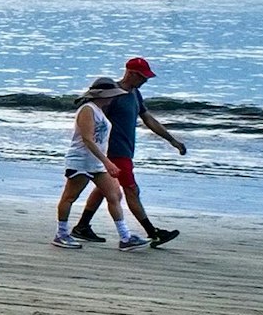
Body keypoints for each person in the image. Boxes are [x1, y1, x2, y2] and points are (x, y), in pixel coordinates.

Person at [99, 55, 185, 246]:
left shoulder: (135, 94)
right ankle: (153, 233)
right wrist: (93, 146)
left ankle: (82, 226)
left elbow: (148, 119)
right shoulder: (111, 93)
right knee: (131, 189)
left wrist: (172, 140)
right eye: (142, 77)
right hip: (114, 152)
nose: (145, 81)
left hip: (125, 150)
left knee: (103, 188)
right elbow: (96, 118)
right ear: (130, 73)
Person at [53, 77, 132, 245]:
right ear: (101, 95)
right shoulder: (87, 110)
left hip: (96, 163)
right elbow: (88, 140)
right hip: (81, 161)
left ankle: (125, 237)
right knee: (70, 197)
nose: (113, 98)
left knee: (114, 195)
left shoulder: (99, 110)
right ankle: (61, 234)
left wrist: (104, 162)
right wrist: (107, 162)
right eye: (111, 95)